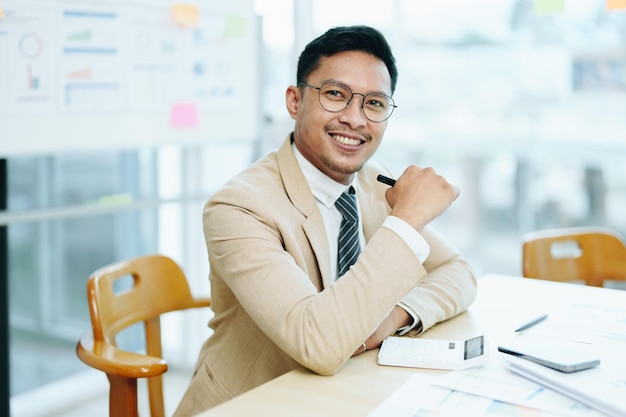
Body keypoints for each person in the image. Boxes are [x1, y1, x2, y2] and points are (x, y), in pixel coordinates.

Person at [173, 25, 477, 416]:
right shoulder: (238, 207)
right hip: (256, 403)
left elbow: (458, 272)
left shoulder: (370, 180)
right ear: (294, 101)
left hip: (344, 394)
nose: (355, 119)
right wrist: (405, 220)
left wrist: (385, 321)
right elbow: (318, 344)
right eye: (335, 95)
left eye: (375, 104)